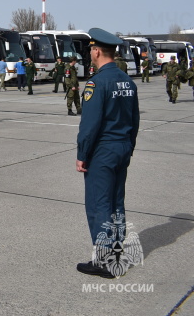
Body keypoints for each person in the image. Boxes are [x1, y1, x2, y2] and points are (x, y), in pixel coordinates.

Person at [75, 28, 139, 279]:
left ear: (97, 51)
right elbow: (134, 119)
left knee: (99, 204)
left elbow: (89, 126)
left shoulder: (97, 82)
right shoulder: (127, 80)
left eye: (91, 49)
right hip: (122, 147)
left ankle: (104, 261)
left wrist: (82, 154)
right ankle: (117, 253)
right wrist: (129, 146)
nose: (91, 53)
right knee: (115, 203)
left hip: (102, 151)